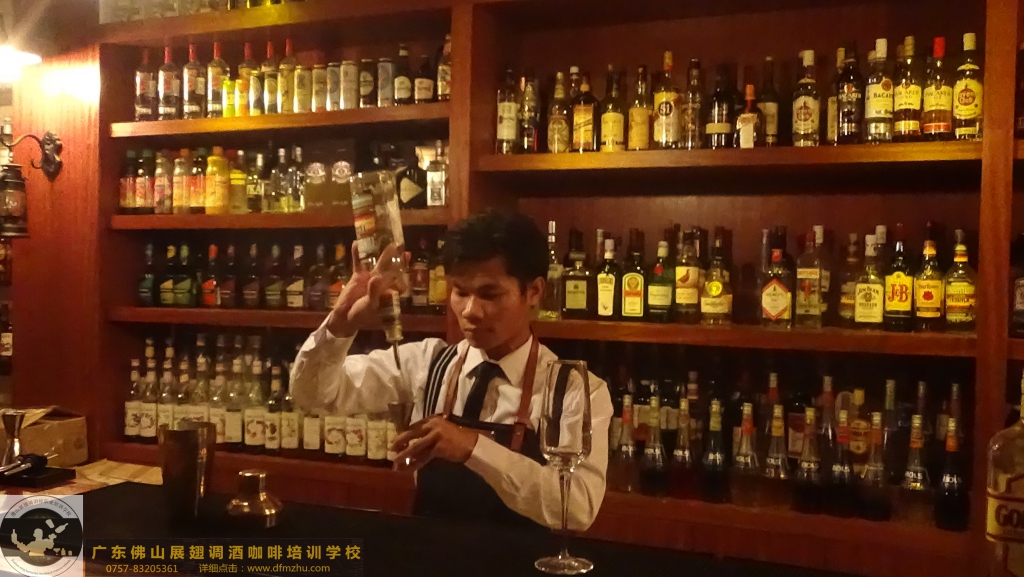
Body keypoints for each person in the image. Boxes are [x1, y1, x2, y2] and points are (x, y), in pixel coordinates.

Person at [290, 210, 612, 530]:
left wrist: (473, 448)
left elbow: (577, 508)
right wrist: (341, 323)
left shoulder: (573, 389)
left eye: (489, 294)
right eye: (460, 292)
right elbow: (313, 396)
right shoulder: (426, 362)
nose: (470, 311)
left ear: (534, 292)